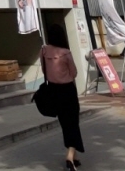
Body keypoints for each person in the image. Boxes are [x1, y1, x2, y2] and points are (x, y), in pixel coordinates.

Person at [41, 24, 84, 170]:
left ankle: (75, 157)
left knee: (65, 123)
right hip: (67, 91)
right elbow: (74, 73)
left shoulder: (44, 51)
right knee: (73, 122)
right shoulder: (66, 53)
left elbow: (44, 70)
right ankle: (70, 157)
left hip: (53, 91)